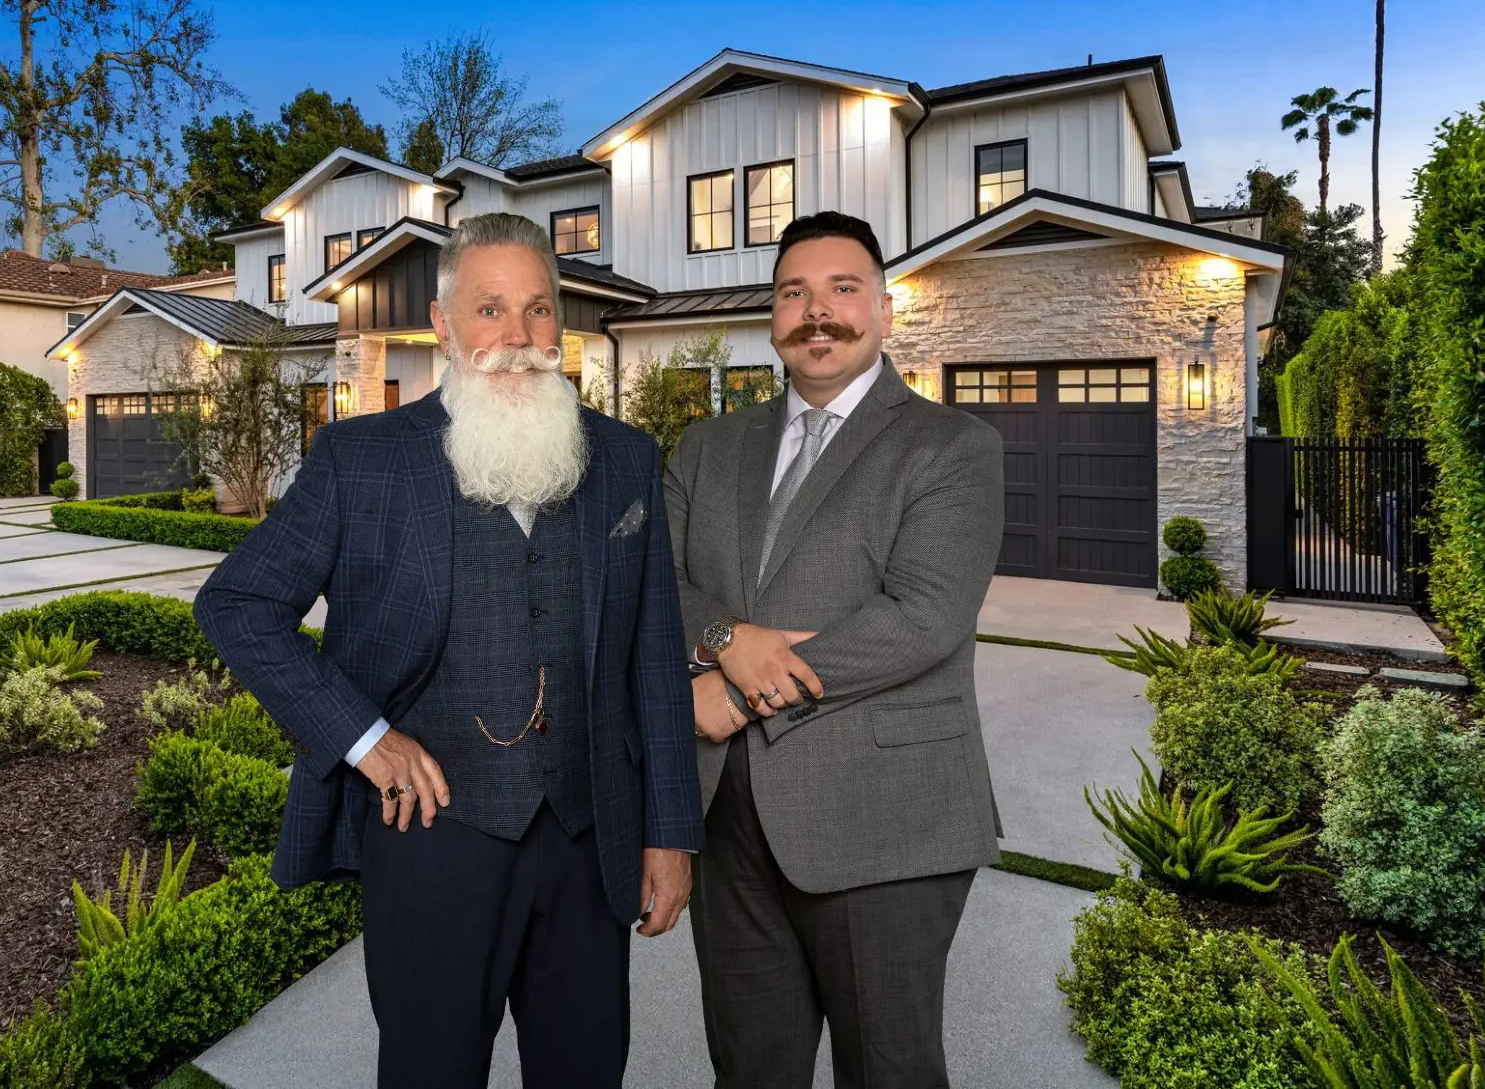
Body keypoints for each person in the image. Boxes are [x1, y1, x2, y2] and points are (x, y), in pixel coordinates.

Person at [195, 212, 703, 1089]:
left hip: (590, 839)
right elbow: (237, 604)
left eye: (539, 310)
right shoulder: (361, 458)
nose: (519, 337)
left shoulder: (624, 461)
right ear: (442, 325)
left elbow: (654, 662)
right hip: (431, 842)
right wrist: (365, 738)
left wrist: (671, 832)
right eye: (490, 310)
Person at [664, 210, 1005, 1089]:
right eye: (794, 293)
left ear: (885, 312)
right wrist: (724, 636)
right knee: (750, 1069)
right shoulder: (707, 448)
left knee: (888, 1071)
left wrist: (737, 692)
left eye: (843, 290)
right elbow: (654, 582)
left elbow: (922, 616)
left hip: (886, 818)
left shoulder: (952, 446)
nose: (818, 313)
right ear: (772, 317)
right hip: (729, 819)